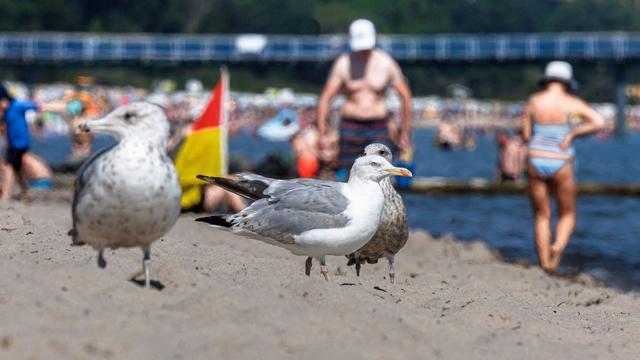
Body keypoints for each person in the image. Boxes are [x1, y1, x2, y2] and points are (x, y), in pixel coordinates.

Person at [522, 61, 604, 273]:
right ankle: (557, 248)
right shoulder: (571, 102)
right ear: (567, 82)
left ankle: (544, 263)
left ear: (547, 80)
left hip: (535, 156)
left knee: (542, 214)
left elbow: (526, 135)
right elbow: (598, 122)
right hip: (561, 158)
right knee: (567, 213)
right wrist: (572, 133)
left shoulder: (534, 101)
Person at [317, 19, 412, 181]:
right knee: (350, 174)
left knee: (383, 174)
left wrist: (405, 132)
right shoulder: (344, 63)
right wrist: (322, 132)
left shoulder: (385, 62)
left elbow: (405, 96)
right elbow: (326, 97)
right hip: (350, 125)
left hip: (379, 125)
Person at [0, 85, 38, 201]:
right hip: (12, 144)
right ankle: (26, 192)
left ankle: (6, 195)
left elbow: (37, 105)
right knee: (17, 170)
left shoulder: (17, 106)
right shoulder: (4, 112)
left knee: (9, 167)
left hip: (20, 144)